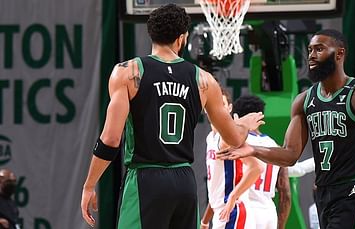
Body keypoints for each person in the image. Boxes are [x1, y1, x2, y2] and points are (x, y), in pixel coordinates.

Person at [80, 4, 264, 229]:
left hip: (146, 179)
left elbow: (110, 139)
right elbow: (236, 139)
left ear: (151, 34)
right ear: (182, 38)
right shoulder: (204, 80)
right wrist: (243, 125)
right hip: (184, 181)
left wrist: (89, 185)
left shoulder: (128, 72)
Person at [218, 29, 355, 229]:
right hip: (323, 191)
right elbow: (290, 154)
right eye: (310, 49)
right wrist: (253, 149)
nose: (311, 55)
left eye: (319, 49)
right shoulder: (304, 101)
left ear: (339, 54)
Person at [201, 91, 264, 229]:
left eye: (221, 104)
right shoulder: (210, 137)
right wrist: (205, 222)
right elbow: (216, 187)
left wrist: (233, 196)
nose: (217, 108)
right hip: (221, 211)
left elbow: (257, 168)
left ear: (229, 108)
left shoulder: (229, 139)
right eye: (213, 104)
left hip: (234, 211)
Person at [232, 95, 291, 229]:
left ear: (236, 116)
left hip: (247, 210)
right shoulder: (275, 146)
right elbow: (285, 193)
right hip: (269, 212)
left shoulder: (240, 143)